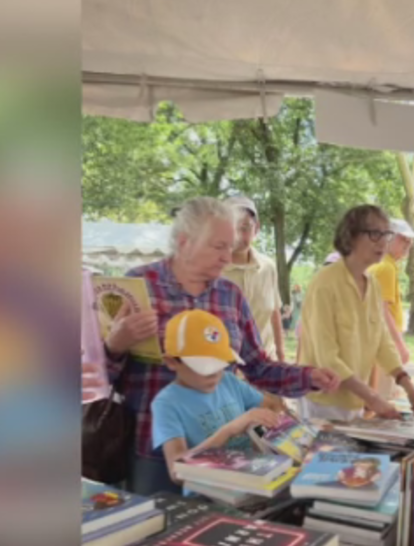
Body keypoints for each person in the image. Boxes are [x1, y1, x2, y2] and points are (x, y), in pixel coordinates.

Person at [104, 197, 339, 495]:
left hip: (223, 453)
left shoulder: (230, 295)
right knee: (155, 530)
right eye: (218, 246)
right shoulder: (138, 284)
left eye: (231, 246)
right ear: (184, 242)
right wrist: (114, 345)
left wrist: (308, 377)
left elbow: (256, 366)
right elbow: (95, 376)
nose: (228, 257)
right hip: (152, 448)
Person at [298, 206, 414, 422]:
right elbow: (328, 359)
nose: (382, 242)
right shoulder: (324, 283)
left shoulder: (372, 284)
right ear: (350, 236)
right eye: (374, 234)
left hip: (355, 401)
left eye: (386, 234)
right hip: (323, 404)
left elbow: (382, 342)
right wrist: (374, 398)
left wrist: (409, 387)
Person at [152, 309, 282, 485]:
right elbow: (176, 471)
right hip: (208, 494)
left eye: (219, 363)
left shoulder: (229, 381)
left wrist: (262, 427)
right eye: (204, 366)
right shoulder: (166, 403)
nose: (214, 374)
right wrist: (228, 431)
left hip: (252, 482)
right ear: (171, 362)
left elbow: (273, 405)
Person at [222, 196, 287, 362]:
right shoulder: (211, 269)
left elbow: (274, 313)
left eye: (245, 228)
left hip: (264, 365)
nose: (238, 236)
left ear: (256, 229)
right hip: (224, 368)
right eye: (233, 228)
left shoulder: (267, 267)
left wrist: (281, 356)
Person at [368, 218, 414, 396]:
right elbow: (382, 311)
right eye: (403, 238)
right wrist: (400, 345)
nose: (409, 243)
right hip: (383, 344)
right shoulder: (386, 268)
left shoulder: (381, 264)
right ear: (388, 238)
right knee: (383, 399)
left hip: (375, 342)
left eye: (410, 240)